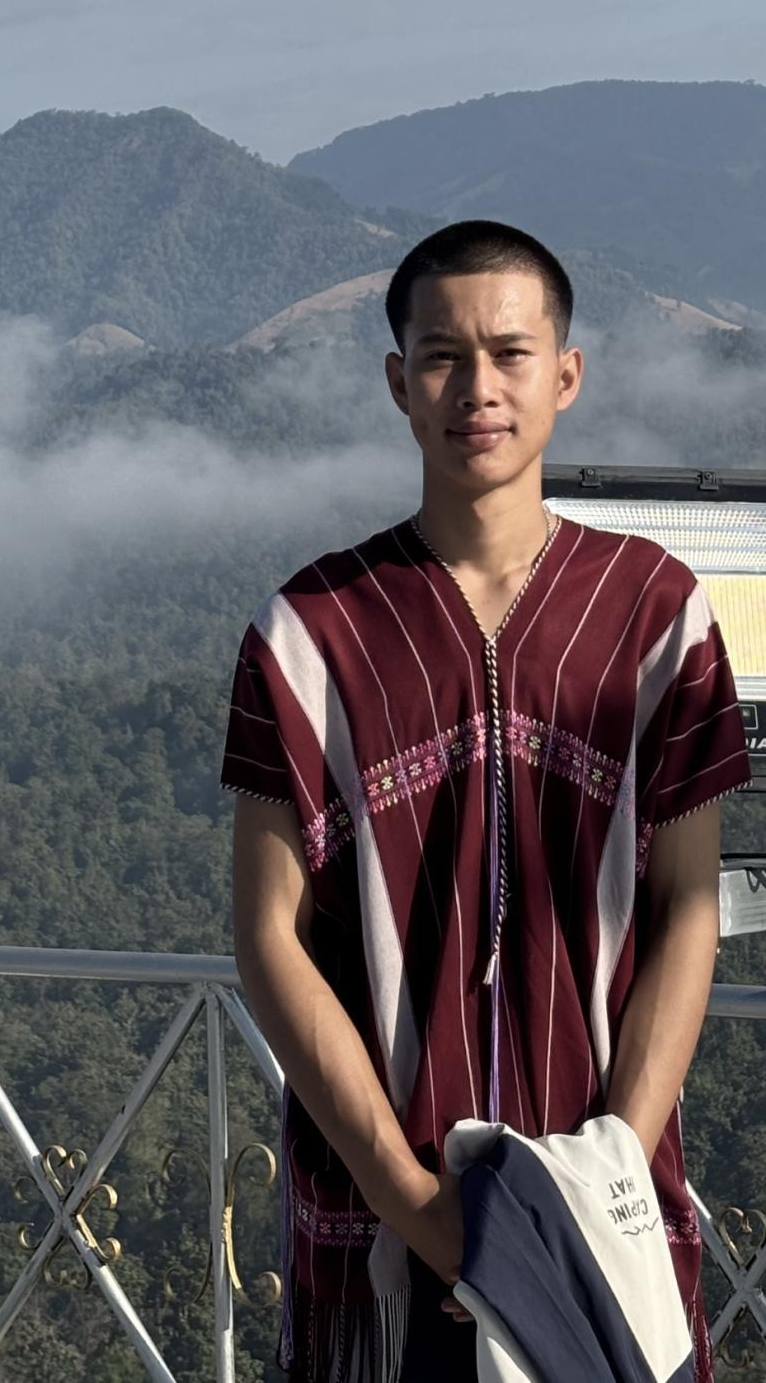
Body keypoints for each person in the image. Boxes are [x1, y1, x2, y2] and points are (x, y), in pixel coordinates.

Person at [219, 220, 752, 1383]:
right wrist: (416, 1202)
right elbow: (268, 934)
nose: (478, 387)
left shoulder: (655, 614)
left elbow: (687, 905)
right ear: (396, 380)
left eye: (510, 353)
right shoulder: (310, 634)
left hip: (604, 1208)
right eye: (442, 355)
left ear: (566, 374)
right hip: (381, 1222)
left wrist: (598, 1175)